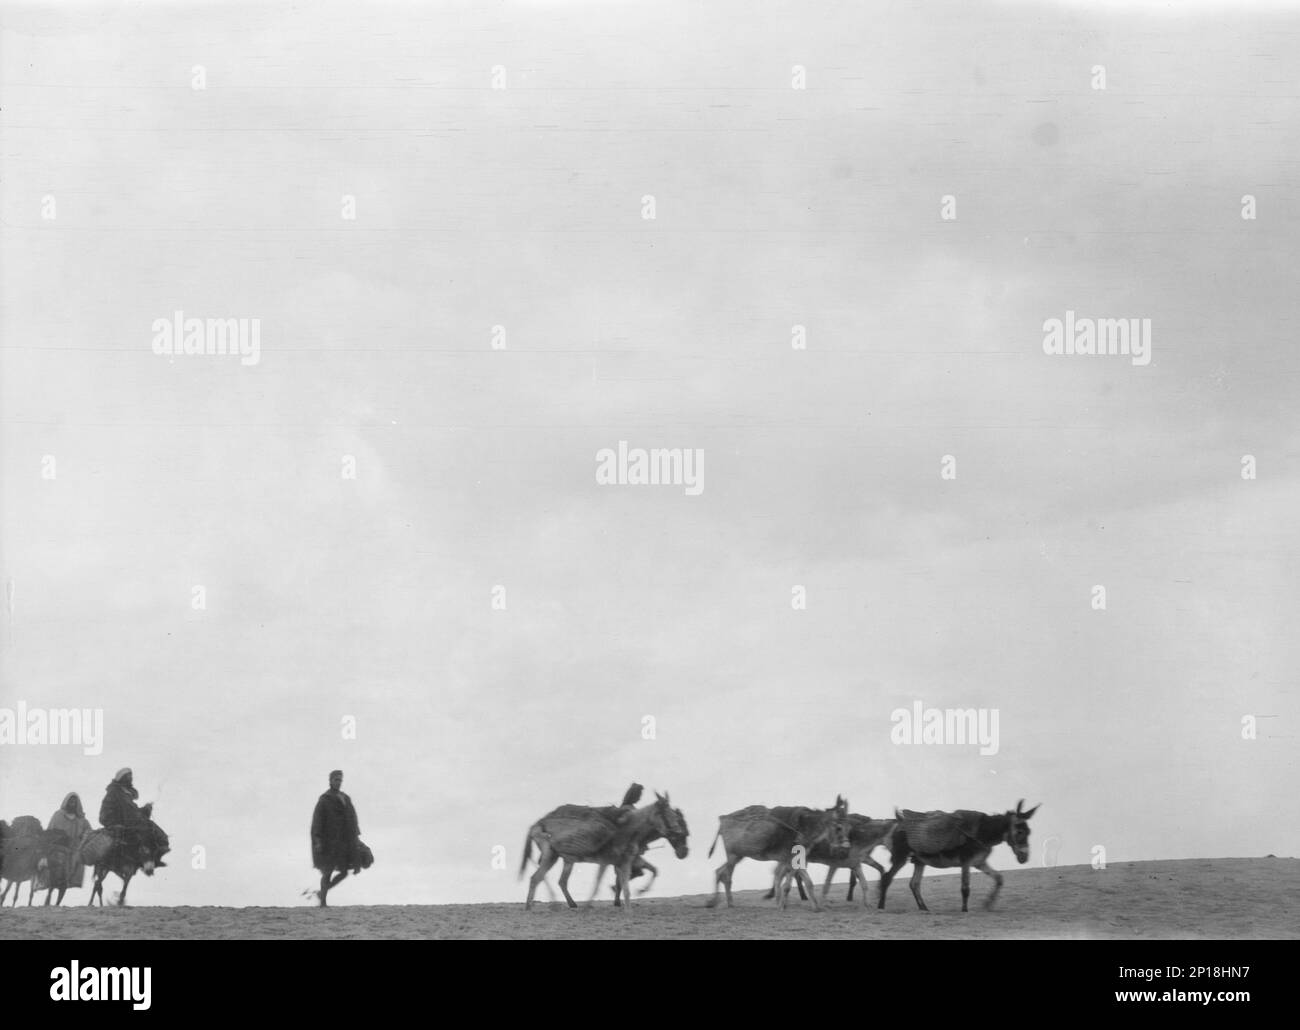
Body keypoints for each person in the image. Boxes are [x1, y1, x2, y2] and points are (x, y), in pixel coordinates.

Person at [311, 770, 362, 907]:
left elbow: (352, 817)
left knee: (344, 871)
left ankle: (322, 893)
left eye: (340, 780)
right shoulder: (324, 799)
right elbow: (317, 821)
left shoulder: (345, 798)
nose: (338, 782)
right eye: (336, 780)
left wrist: (356, 835)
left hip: (344, 841)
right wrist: (317, 840)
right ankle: (323, 901)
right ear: (330, 781)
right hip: (329, 841)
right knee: (328, 871)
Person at [47, 792, 92, 890]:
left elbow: (88, 831)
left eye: (74, 802)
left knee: (75, 862)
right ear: (66, 801)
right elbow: (50, 830)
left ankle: (67, 882)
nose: (72, 803)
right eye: (70, 801)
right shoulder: (58, 815)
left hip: (73, 849)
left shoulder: (81, 820)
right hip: (58, 847)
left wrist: (84, 837)